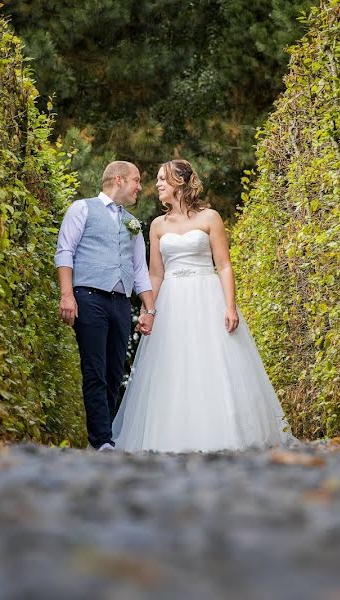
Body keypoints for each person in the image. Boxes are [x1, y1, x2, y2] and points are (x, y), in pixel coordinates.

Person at [112, 159, 295, 452]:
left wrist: (230, 306)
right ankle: (175, 435)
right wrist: (148, 311)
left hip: (207, 295)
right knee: (174, 364)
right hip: (172, 301)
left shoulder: (210, 218)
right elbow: (155, 274)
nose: (156, 184)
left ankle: (225, 431)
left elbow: (223, 266)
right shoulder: (157, 226)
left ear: (180, 182)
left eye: (162, 178)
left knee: (214, 362)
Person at [55, 161, 156, 451]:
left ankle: (106, 433)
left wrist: (149, 310)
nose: (139, 187)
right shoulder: (82, 209)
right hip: (88, 296)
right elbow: (65, 251)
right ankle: (101, 440)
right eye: (136, 180)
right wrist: (67, 295)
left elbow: (140, 271)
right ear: (119, 179)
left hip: (121, 303)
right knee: (95, 369)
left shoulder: (132, 223)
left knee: (114, 372)